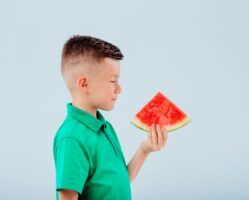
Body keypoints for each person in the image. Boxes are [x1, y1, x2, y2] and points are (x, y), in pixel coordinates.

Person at [53, 35, 168, 200]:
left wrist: (145, 149)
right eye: (113, 81)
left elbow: (118, 184)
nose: (119, 88)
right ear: (84, 84)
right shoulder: (72, 138)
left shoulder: (104, 127)